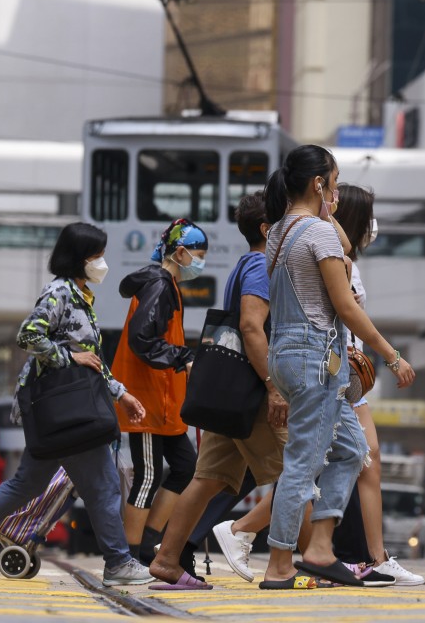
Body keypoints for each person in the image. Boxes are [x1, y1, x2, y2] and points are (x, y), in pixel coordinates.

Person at [0, 223, 152, 586]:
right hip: (67, 415)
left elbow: (93, 361)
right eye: (95, 256)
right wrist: (68, 356)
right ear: (78, 258)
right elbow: (28, 334)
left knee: (28, 483)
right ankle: (118, 563)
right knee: (102, 486)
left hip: (65, 415)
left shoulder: (80, 295)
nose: (101, 262)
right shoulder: (59, 292)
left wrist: (121, 393)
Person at [260, 144, 415, 589]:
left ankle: (321, 548)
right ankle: (278, 565)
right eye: (333, 180)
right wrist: (392, 354)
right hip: (315, 357)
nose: (337, 192)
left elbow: (344, 243)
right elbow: (346, 306)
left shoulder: (281, 231)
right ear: (317, 183)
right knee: (302, 462)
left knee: (351, 449)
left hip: (289, 354)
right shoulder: (318, 233)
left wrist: (323, 210)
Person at [148, 193, 290, 589]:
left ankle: (165, 560)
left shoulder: (244, 264)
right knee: (304, 472)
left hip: (230, 393)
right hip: (255, 393)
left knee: (207, 477)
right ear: (267, 229)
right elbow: (250, 326)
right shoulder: (262, 264)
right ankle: (306, 559)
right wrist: (274, 389)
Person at [330, 184, 423, 586]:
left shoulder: (348, 259)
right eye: (368, 215)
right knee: (315, 465)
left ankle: (377, 557)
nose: (373, 225)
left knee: (369, 461)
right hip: (334, 374)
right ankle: (243, 529)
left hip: (351, 378)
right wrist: (391, 355)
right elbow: (347, 314)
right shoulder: (335, 257)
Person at [112, 218, 204, 563]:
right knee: (148, 475)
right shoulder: (159, 285)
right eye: (198, 254)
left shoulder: (165, 284)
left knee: (185, 468)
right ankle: (128, 557)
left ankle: (149, 543)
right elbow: (143, 339)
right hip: (149, 400)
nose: (200, 260)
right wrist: (182, 358)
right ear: (180, 252)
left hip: (164, 400)